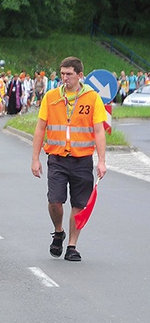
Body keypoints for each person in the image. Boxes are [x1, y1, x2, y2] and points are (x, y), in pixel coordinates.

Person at [31, 56, 107, 262]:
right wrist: (35, 158)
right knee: (55, 201)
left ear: (80, 75)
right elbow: (40, 128)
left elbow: (99, 131)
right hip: (57, 157)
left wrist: (101, 161)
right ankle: (58, 231)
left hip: (82, 159)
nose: (64, 78)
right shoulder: (51, 96)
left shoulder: (92, 98)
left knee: (79, 204)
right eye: (62, 74)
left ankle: (72, 246)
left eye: (69, 74)